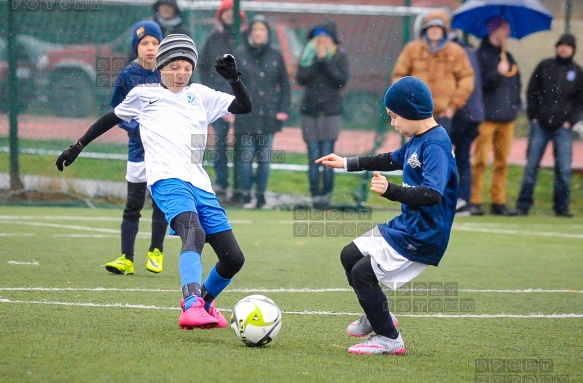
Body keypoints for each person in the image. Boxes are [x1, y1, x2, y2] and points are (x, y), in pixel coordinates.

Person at [55, 34, 252, 329]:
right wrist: (77, 146)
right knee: (192, 232)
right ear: (160, 66)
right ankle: (190, 303)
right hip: (166, 180)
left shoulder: (199, 94)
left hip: (199, 183)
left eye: (186, 67)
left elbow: (243, 106)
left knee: (233, 258)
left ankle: (206, 303)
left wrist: (234, 79)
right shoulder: (143, 95)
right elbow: (110, 118)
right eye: (173, 66)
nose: (180, 73)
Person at [316, 76, 457, 355]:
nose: (393, 124)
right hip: (407, 225)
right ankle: (377, 314)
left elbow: (433, 194)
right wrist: (345, 163)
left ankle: (389, 337)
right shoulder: (418, 138)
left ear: (412, 111)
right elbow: (390, 159)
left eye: (395, 117)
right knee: (350, 255)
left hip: (424, 233)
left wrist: (390, 191)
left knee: (362, 273)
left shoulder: (436, 145)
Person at [104, 21, 168, 275]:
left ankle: (156, 252)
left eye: (155, 42)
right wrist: (136, 128)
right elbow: (116, 113)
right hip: (137, 152)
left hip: (163, 154)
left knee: (160, 204)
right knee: (133, 205)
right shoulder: (127, 76)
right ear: (136, 47)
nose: (150, 48)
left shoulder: (170, 73)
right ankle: (126, 258)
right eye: (144, 43)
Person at [515, 33, 583, 217]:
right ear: (557, 47)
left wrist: (571, 121)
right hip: (540, 125)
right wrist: (533, 116)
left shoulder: (577, 72)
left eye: (568, 46)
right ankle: (523, 205)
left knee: (564, 168)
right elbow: (532, 90)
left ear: (573, 49)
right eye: (561, 45)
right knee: (531, 166)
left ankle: (562, 207)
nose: (563, 48)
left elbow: (580, 101)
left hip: (563, 128)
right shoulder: (545, 66)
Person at [233, 15, 291, 209]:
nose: (258, 33)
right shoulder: (240, 54)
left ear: (267, 33)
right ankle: (245, 195)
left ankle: (261, 197)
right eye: (255, 30)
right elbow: (231, 82)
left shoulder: (275, 55)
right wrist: (230, 108)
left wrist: (282, 110)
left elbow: (284, 84)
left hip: (268, 116)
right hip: (245, 115)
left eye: (262, 30)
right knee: (245, 159)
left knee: (264, 160)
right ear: (250, 33)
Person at [469, 17, 521, 216]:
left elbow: (517, 85)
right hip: (487, 118)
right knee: (480, 161)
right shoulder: (480, 56)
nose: (507, 33)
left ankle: (498, 202)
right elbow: (480, 86)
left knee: (502, 163)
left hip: (507, 119)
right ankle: (475, 200)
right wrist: (498, 73)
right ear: (494, 30)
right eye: (504, 29)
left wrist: (516, 106)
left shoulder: (510, 57)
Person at [392, 10, 474, 135]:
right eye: (431, 27)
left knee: (439, 149)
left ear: (444, 30)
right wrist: (408, 101)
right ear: (425, 29)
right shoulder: (412, 49)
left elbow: (467, 77)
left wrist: (453, 106)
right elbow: (399, 75)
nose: (434, 30)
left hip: (444, 114)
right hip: (417, 113)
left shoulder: (456, 51)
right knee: (417, 151)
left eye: (438, 27)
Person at [296, 19, 349, 208]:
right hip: (310, 112)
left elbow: (340, 80)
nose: (322, 40)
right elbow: (301, 78)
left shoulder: (339, 56)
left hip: (330, 113)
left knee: (327, 155)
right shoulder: (307, 55)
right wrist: (317, 61)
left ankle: (326, 196)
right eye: (319, 37)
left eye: (326, 36)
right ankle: (314, 196)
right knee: (312, 156)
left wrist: (325, 61)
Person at [198, 0, 248, 201]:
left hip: (241, 100)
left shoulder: (245, 40)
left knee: (242, 145)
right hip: (220, 101)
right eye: (226, 12)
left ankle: (241, 187)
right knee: (219, 144)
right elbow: (203, 66)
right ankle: (221, 183)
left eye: (232, 13)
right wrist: (213, 91)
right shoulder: (213, 39)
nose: (229, 16)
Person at [448, 31, 485, 216]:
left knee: (445, 156)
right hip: (475, 114)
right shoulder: (470, 51)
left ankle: (452, 199)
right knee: (463, 158)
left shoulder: (454, 52)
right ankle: (465, 200)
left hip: (460, 113)